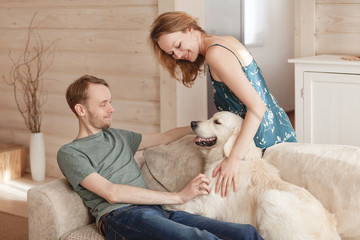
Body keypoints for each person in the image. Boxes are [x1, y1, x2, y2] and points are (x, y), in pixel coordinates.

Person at [57, 75, 264, 240]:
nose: (111, 109)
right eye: (103, 104)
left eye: (110, 102)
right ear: (81, 109)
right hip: (120, 216)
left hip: (157, 211)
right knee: (198, 238)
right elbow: (112, 193)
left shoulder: (119, 136)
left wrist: (202, 128)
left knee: (245, 233)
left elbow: (166, 137)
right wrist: (178, 197)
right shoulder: (70, 153)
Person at [149, 11, 297, 198]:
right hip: (278, 128)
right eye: (171, 53)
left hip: (258, 141)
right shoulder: (225, 41)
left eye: (177, 45)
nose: (177, 55)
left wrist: (234, 159)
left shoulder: (216, 54)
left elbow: (257, 107)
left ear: (190, 29)